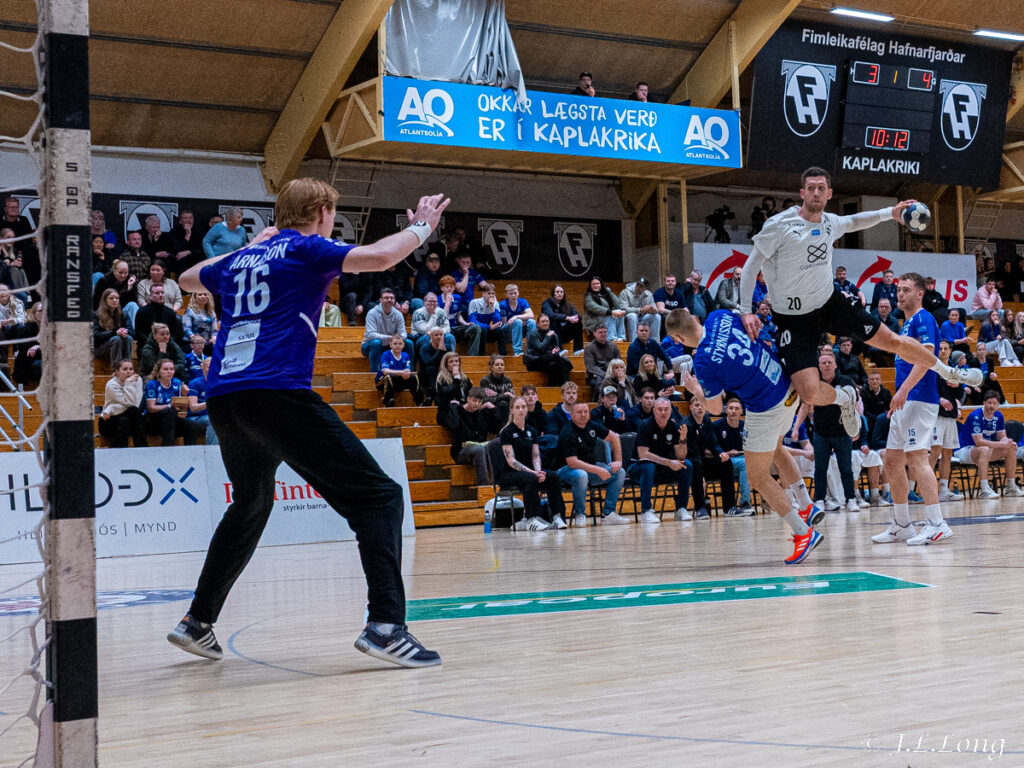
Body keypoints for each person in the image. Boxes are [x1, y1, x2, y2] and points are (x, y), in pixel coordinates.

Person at [168, 178, 447, 668]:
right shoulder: (305, 248)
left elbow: (189, 279)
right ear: (320, 213)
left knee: (251, 503)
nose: (332, 223)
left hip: (227, 397)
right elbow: (381, 257)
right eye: (332, 215)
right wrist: (422, 227)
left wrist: (248, 248)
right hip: (275, 392)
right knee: (379, 498)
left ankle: (197, 622)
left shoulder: (241, 259)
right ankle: (386, 627)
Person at [738, 166, 982, 438]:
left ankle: (947, 371)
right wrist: (746, 310)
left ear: (829, 194)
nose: (816, 193)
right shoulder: (779, 226)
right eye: (811, 188)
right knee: (808, 392)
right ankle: (845, 398)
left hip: (830, 304)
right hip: (793, 320)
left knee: (892, 341)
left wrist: (889, 213)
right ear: (802, 193)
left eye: (821, 188)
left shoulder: (830, 222)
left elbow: (855, 221)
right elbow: (750, 267)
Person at [670, 308, 824, 563]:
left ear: (679, 338)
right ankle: (807, 505)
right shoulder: (718, 316)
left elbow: (715, 409)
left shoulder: (703, 361)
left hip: (766, 406)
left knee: (757, 477)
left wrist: (696, 390)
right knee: (777, 449)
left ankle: (803, 532)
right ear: (695, 319)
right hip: (786, 385)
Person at [871, 273, 953, 546]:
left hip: (919, 398)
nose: (900, 294)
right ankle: (901, 525)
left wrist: (904, 391)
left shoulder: (923, 318)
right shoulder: (904, 324)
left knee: (917, 459)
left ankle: (937, 523)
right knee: (892, 460)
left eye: (906, 290)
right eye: (898, 289)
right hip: (906, 400)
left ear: (920, 293)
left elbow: (927, 359)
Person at [497, 396, 568, 530]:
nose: (521, 410)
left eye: (523, 407)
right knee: (530, 478)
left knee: (553, 476)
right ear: (511, 410)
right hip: (509, 473)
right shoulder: (506, 432)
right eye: (517, 407)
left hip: (530, 472)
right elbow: (511, 461)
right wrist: (533, 473)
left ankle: (557, 517)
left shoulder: (532, 431)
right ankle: (532, 519)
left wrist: (539, 471)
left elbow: (535, 456)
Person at [555, 402, 628, 525]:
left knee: (619, 472)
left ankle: (608, 513)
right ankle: (580, 514)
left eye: (586, 412)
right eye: (579, 412)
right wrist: (598, 470)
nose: (583, 415)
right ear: (572, 414)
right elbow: (572, 463)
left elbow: (614, 437)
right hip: (565, 470)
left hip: (589, 468)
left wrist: (618, 461)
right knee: (581, 474)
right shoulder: (567, 432)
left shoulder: (591, 426)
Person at [804, 352, 860, 513]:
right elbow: (805, 405)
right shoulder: (815, 383)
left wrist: (856, 427)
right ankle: (820, 499)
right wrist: (795, 428)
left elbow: (854, 405)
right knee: (820, 469)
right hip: (821, 433)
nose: (827, 365)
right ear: (819, 366)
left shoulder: (845, 381)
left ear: (835, 365)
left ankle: (850, 500)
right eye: (824, 363)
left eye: (829, 362)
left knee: (846, 468)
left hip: (842, 432)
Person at [627, 398, 693, 523]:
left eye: (666, 409)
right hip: (638, 468)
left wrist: (682, 440)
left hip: (662, 469)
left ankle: (681, 509)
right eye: (660, 409)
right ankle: (646, 511)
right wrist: (669, 462)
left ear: (670, 411)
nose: (663, 412)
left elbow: (681, 457)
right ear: (654, 410)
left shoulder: (674, 426)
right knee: (649, 466)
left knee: (686, 465)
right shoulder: (645, 425)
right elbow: (643, 455)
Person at [956, 391, 1022, 500]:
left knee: (1011, 448)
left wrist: (1007, 441)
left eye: (994, 403)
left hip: (985, 450)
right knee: (984, 449)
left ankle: (1011, 487)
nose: (991, 406)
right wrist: (1000, 444)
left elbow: (1002, 436)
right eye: (989, 403)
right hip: (964, 450)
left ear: (998, 405)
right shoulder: (976, 416)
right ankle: (984, 489)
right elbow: (979, 442)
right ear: (984, 403)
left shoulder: (998, 415)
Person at [681, 397, 735, 519]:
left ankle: (729, 507)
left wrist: (721, 453)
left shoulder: (706, 420)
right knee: (696, 465)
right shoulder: (687, 424)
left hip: (703, 461)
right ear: (691, 407)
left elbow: (713, 443)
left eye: (702, 405)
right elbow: (693, 452)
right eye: (697, 405)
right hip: (689, 462)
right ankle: (700, 508)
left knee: (726, 463)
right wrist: (702, 475)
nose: (700, 408)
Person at [930, 340, 965, 503]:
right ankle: (926, 488)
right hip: (935, 416)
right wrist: (939, 399)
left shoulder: (953, 370)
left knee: (948, 453)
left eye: (946, 348)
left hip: (950, 416)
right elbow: (926, 389)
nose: (943, 351)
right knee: (935, 451)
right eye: (940, 348)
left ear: (950, 351)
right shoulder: (931, 367)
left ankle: (944, 490)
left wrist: (957, 388)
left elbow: (960, 393)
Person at [448, 387, 501, 484]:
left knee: (498, 444)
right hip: (461, 451)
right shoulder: (458, 411)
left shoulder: (482, 413)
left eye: (479, 401)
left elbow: (496, 429)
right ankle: (484, 487)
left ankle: (500, 484)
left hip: (480, 448)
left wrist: (493, 409)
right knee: (479, 450)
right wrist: (454, 408)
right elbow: (454, 425)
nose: (477, 404)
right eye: (474, 400)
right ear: (468, 399)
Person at [144, 358, 196, 447]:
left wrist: (184, 395)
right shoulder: (152, 384)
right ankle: (168, 448)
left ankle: (190, 452)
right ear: (158, 371)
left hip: (171, 420)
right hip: (153, 421)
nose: (169, 372)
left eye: (171, 369)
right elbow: (151, 408)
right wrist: (169, 405)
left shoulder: (177, 382)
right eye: (165, 369)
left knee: (190, 424)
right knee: (169, 411)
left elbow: (182, 409)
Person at [714, 398, 753, 515]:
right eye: (730, 408)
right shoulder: (717, 426)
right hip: (723, 461)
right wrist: (727, 452)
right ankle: (745, 503)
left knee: (755, 463)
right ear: (726, 410)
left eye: (736, 408)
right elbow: (710, 447)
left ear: (741, 411)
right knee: (746, 464)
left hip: (741, 459)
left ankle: (766, 500)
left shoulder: (745, 427)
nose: (733, 411)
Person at [98, 358, 147, 447]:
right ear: (117, 372)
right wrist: (128, 384)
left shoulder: (138, 380)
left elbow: (135, 405)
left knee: (133, 412)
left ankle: (142, 450)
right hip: (108, 420)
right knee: (124, 422)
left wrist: (111, 408)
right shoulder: (111, 384)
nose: (129, 372)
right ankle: (117, 453)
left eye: (131, 369)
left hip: (126, 416)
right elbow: (130, 404)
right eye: (125, 369)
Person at [361, 287, 412, 372]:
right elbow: (370, 334)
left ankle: (408, 372)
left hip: (390, 345)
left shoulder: (398, 314)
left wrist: (395, 340)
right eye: (386, 298)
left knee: (408, 343)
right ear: (380, 300)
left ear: (394, 300)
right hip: (370, 346)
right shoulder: (372, 313)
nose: (389, 300)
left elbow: (403, 334)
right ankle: (375, 374)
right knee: (376, 343)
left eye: (391, 298)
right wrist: (390, 338)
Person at [438, 274, 483, 355]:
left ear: (454, 288)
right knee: (448, 332)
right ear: (442, 288)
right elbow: (442, 318)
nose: (449, 289)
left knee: (476, 327)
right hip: (444, 329)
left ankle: (472, 357)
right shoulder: (437, 300)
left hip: (455, 328)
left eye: (451, 287)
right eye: (447, 287)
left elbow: (458, 316)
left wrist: (465, 323)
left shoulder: (458, 298)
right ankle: (450, 357)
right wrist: (447, 303)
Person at [376, 333, 423, 407]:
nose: (398, 345)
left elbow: (407, 371)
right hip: (382, 382)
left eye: (400, 344)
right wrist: (401, 373)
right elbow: (385, 371)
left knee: (414, 378)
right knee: (390, 377)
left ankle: (420, 401)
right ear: (391, 345)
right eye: (395, 344)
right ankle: (387, 401)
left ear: (403, 345)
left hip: (398, 380)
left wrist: (406, 374)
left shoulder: (405, 355)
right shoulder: (386, 354)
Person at [524, 314, 571, 387]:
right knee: (560, 359)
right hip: (535, 361)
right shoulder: (533, 334)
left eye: (547, 321)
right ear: (538, 324)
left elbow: (556, 348)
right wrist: (547, 337)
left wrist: (554, 352)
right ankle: (566, 385)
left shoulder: (553, 334)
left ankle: (553, 388)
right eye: (543, 321)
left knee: (553, 365)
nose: (545, 323)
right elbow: (540, 348)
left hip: (549, 360)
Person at [93, 288, 135, 367]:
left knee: (128, 338)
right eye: (111, 298)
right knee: (117, 339)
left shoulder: (123, 314)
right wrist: (114, 332)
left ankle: (127, 366)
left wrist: (125, 331)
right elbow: (95, 336)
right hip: (101, 347)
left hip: (119, 344)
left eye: (117, 298)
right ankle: (117, 369)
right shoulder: (96, 315)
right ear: (105, 300)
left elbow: (132, 332)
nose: (115, 300)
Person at [134, 283, 185, 348]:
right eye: (157, 293)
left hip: (168, 347)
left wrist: (167, 343)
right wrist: (154, 344)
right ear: (150, 296)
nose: (161, 295)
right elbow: (139, 333)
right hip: (148, 346)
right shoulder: (142, 312)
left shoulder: (170, 312)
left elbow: (176, 334)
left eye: (162, 292)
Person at [434, 351, 473, 428]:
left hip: (463, 409)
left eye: (456, 361)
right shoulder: (441, 379)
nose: (454, 364)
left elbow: (470, 394)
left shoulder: (465, 378)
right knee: (461, 420)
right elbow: (447, 395)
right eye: (451, 362)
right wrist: (456, 379)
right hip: (447, 411)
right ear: (446, 364)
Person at [542, 283, 584, 354]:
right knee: (555, 322)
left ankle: (578, 349)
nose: (559, 294)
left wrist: (575, 318)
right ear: (553, 293)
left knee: (578, 322)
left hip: (564, 334)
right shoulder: (547, 303)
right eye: (557, 292)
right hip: (551, 333)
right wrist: (567, 318)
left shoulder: (567, 304)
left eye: (561, 292)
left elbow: (577, 315)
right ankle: (559, 350)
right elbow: (551, 315)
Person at [468, 282, 507, 355]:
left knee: (500, 330)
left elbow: (498, 322)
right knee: (484, 330)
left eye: (493, 293)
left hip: (489, 330)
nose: (491, 295)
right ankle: (482, 355)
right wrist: (489, 327)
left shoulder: (495, 304)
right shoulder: (474, 302)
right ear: (483, 293)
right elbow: (473, 321)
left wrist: (492, 308)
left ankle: (503, 355)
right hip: (477, 331)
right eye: (489, 293)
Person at [583, 275, 626, 341]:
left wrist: (623, 309)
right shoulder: (588, 296)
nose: (595, 285)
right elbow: (595, 308)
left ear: (601, 284)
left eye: (597, 283)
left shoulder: (607, 292)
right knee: (610, 315)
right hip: (593, 320)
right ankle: (611, 338)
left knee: (619, 312)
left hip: (606, 316)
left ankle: (621, 337)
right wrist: (611, 312)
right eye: (593, 284)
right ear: (590, 286)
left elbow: (617, 302)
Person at [410, 292, 454, 357]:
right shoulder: (418, 313)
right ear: (424, 302)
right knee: (428, 338)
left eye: (434, 301)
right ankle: (427, 361)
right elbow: (425, 330)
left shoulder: (441, 312)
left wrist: (438, 333)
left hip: (437, 336)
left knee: (449, 337)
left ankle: (450, 359)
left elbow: (447, 328)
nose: (432, 303)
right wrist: (433, 315)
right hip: (420, 337)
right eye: (430, 301)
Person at [498, 283, 536, 356]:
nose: (513, 295)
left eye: (515, 293)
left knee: (532, 322)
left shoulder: (522, 301)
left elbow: (531, 315)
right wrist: (517, 320)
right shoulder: (503, 304)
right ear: (506, 295)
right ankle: (517, 351)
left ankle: (531, 350)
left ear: (518, 293)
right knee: (518, 322)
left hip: (519, 329)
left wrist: (516, 316)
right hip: (506, 331)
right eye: (510, 294)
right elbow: (504, 323)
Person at [187, 357, 218, 445]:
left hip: (213, 416)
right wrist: (210, 403)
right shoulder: (195, 383)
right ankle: (212, 449)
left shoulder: (219, 384)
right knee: (213, 420)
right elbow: (193, 408)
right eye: (209, 367)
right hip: (196, 418)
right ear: (203, 369)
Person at [417, 327, 448, 406]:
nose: (439, 337)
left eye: (441, 334)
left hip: (441, 374)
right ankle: (432, 393)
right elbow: (429, 363)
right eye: (436, 335)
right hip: (426, 376)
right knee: (431, 368)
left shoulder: (447, 348)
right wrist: (440, 351)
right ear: (431, 337)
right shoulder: (425, 348)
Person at [479, 353, 515, 420]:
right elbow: (485, 400)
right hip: (490, 410)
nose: (500, 367)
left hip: (505, 409)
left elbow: (512, 398)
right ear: (491, 367)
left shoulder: (508, 380)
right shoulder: (485, 380)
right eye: (497, 365)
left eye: (502, 365)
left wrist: (497, 396)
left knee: (505, 404)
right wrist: (504, 395)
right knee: (503, 404)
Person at [169, 209, 205, 276]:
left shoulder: (199, 231)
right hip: (180, 260)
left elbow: (202, 249)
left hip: (194, 257)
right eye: (186, 218)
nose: (189, 220)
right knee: (181, 259)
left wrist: (189, 252)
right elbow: (177, 250)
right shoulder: (174, 232)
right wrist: (188, 235)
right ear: (180, 221)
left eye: (191, 218)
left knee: (202, 258)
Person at [583, 324, 618, 392]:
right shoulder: (589, 348)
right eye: (600, 332)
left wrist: (612, 373)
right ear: (594, 333)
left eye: (605, 332)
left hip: (611, 373)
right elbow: (590, 367)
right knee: (600, 383)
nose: (603, 334)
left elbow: (618, 362)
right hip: (595, 375)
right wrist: (606, 375)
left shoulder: (613, 346)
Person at [860, 369, 892, 436]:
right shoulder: (863, 392)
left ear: (880, 381)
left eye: (877, 379)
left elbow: (890, 408)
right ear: (868, 381)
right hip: (870, 419)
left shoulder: (886, 392)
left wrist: (883, 418)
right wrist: (877, 419)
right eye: (872, 379)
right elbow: (865, 411)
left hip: (883, 418)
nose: (875, 381)